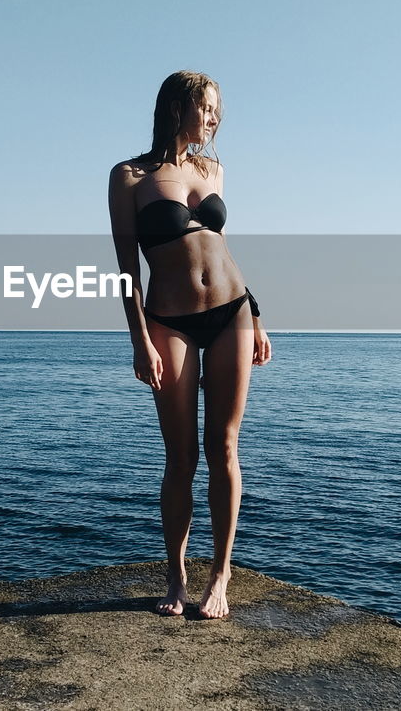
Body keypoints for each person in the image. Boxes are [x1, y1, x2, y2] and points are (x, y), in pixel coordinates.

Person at [108, 70, 272, 619]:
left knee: (223, 447)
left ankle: (219, 577)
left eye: (216, 110)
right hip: (169, 321)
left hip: (233, 313)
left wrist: (257, 312)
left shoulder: (213, 170)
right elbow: (127, 269)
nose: (213, 118)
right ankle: (176, 578)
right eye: (205, 108)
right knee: (180, 457)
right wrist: (140, 340)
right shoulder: (129, 177)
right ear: (177, 107)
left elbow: (221, 247)